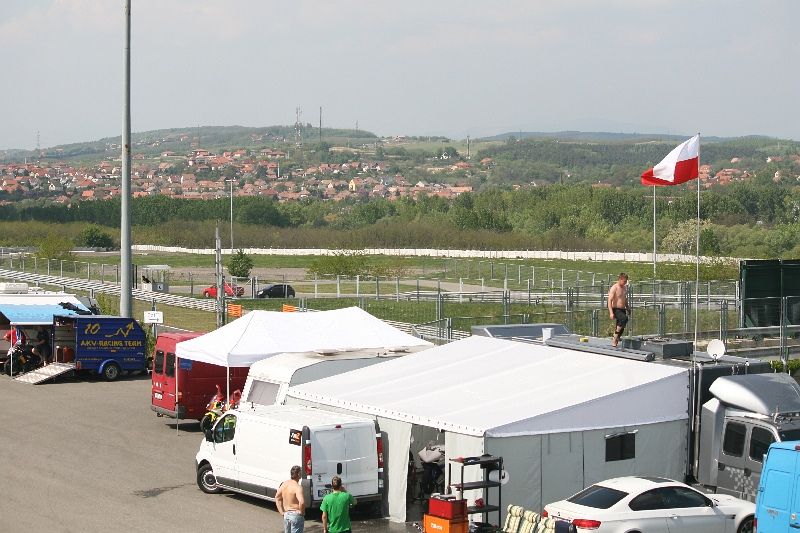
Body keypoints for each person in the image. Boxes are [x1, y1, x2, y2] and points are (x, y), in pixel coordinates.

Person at [275, 465, 305, 533]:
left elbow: (277, 498)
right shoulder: (298, 487)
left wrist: (282, 512)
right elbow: (302, 502)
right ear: (298, 474)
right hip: (296, 515)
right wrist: (302, 512)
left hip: (287, 514)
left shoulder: (284, 484)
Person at [607, 272, 630, 347]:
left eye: (626, 281)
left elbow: (625, 299)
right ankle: (615, 337)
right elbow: (609, 300)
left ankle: (616, 338)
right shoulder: (614, 287)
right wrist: (611, 313)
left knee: (622, 325)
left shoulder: (624, 288)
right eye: (624, 281)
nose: (625, 283)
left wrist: (628, 307)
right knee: (624, 318)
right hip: (616, 309)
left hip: (622, 309)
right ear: (620, 279)